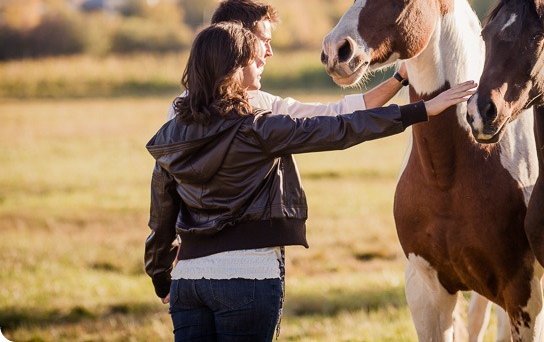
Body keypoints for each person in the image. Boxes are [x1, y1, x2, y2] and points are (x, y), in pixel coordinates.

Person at [146, 21, 476, 340]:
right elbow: (342, 129)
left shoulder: (171, 136)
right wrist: (421, 110)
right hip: (248, 275)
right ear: (232, 69)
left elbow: (161, 215)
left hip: (189, 280)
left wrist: (162, 277)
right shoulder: (258, 128)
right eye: (252, 59)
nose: (261, 62)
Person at [170, 0, 408, 119]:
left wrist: (399, 78)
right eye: (264, 41)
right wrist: (400, 78)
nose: (269, 52)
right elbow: (336, 122)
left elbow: (337, 115)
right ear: (236, 39)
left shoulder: (178, 112)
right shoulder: (262, 116)